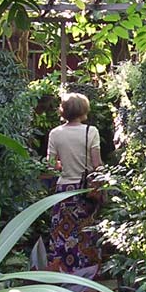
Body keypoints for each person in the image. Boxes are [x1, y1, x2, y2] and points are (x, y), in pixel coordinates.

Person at [45, 92, 103, 272]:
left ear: (63, 111)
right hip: (84, 190)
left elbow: (50, 165)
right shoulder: (90, 131)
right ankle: (85, 272)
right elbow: (97, 165)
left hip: (63, 190)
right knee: (85, 233)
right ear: (84, 110)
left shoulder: (55, 133)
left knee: (62, 232)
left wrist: (63, 164)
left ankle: (61, 270)